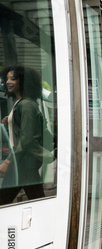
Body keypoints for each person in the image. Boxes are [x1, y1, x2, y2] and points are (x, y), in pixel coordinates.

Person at [0, 65, 46, 204]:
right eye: (7, 79)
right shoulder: (21, 103)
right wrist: (11, 119)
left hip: (23, 161)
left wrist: (8, 161)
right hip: (24, 162)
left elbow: (26, 138)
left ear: (24, 82)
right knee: (37, 200)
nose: (8, 82)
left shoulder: (26, 105)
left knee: (4, 200)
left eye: (13, 79)